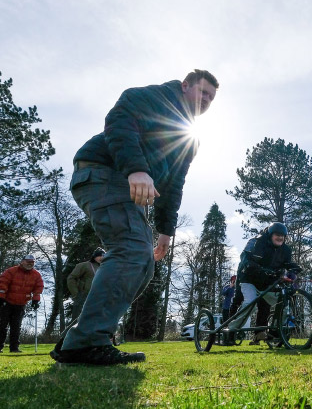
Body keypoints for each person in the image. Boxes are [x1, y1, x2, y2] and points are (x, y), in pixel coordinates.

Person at [50, 69, 219, 365]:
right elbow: (121, 117)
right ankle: (86, 341)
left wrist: (166, 231)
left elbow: (174, 183)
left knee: (143, 263)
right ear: (185, 86)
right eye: (202, 92)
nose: (206, 100)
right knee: (130, 250)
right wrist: (136, 169)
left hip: (128, 185)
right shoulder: (159, 98)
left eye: (211, 98)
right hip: (105, 172)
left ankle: (82, 337)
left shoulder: (189, 139)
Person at [230, 222, 300, 346]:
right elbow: (245, 261)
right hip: (248, 280)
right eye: (277, 235)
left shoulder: (285, 250)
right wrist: (262, 270)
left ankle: (274, 332)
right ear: (270, 235)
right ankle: (230, 331)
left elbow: (287, 264)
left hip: (267, 283)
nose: (280, 238)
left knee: (282, 302)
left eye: (283, 236)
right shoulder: (256, 242)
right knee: (249, 303)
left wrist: (294, 270)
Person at [0, 255, 44, 353]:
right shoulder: (11, 271)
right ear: (22, 261)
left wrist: (35, 300)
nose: (30, 264)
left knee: (16, 327)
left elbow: (38, 288)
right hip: (7, 303)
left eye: (32, 262)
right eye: (28, 261)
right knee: (2, 326)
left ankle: (14, 348)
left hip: (21, 304)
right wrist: (1, 297)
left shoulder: (36, 275)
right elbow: (3, 283)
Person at [67, 247, 105, 322]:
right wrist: (76, 294)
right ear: (94, 256)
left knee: (95, 321)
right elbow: (71, 278)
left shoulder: (105, 268)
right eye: (99, 255)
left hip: (98, 298)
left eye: (103, 256)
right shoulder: (84, 265)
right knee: (77, 321)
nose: (101, 258)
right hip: (83, 297)